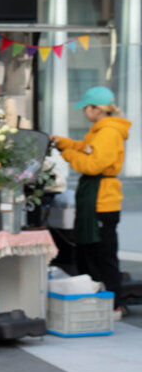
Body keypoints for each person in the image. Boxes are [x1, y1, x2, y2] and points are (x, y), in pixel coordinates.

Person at [50, 86, 131, 319]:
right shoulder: (98, 131)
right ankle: (95, 300)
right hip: (94, 200)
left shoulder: (108, 132)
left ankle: (114, 304)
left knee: (103, 255)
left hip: (102, 203)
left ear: (96, 109)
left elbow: (92, 164)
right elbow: (85, 148)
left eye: (86, 108)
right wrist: (64, 143)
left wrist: (67, 155)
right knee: (87, 252)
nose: (84, 112)